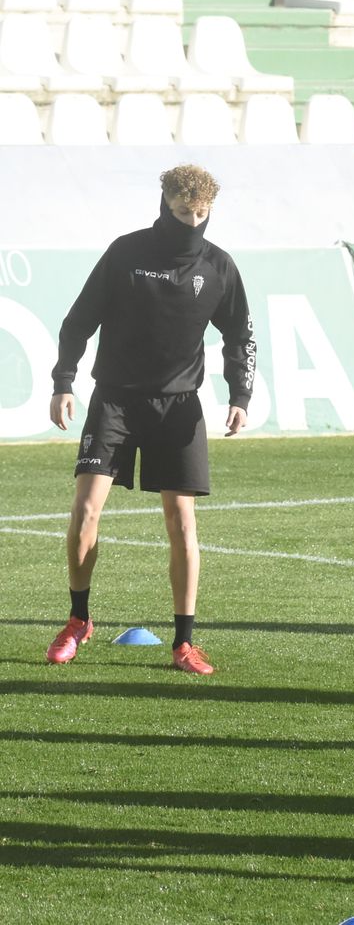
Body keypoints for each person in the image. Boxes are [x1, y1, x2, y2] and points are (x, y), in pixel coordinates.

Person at [46, 165, 254, 676]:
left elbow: (241, 337)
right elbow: (78, 321)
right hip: (114, 400)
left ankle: (184, 643)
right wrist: (63, 381)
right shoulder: (126, 252)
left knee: (182, 524)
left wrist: (240, 394)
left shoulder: (219, 267)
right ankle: (78, 620)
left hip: (179, 407)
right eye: (184, 212)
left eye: (202, 214)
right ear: (165, 205)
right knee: (85, 511)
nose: (192, 222)